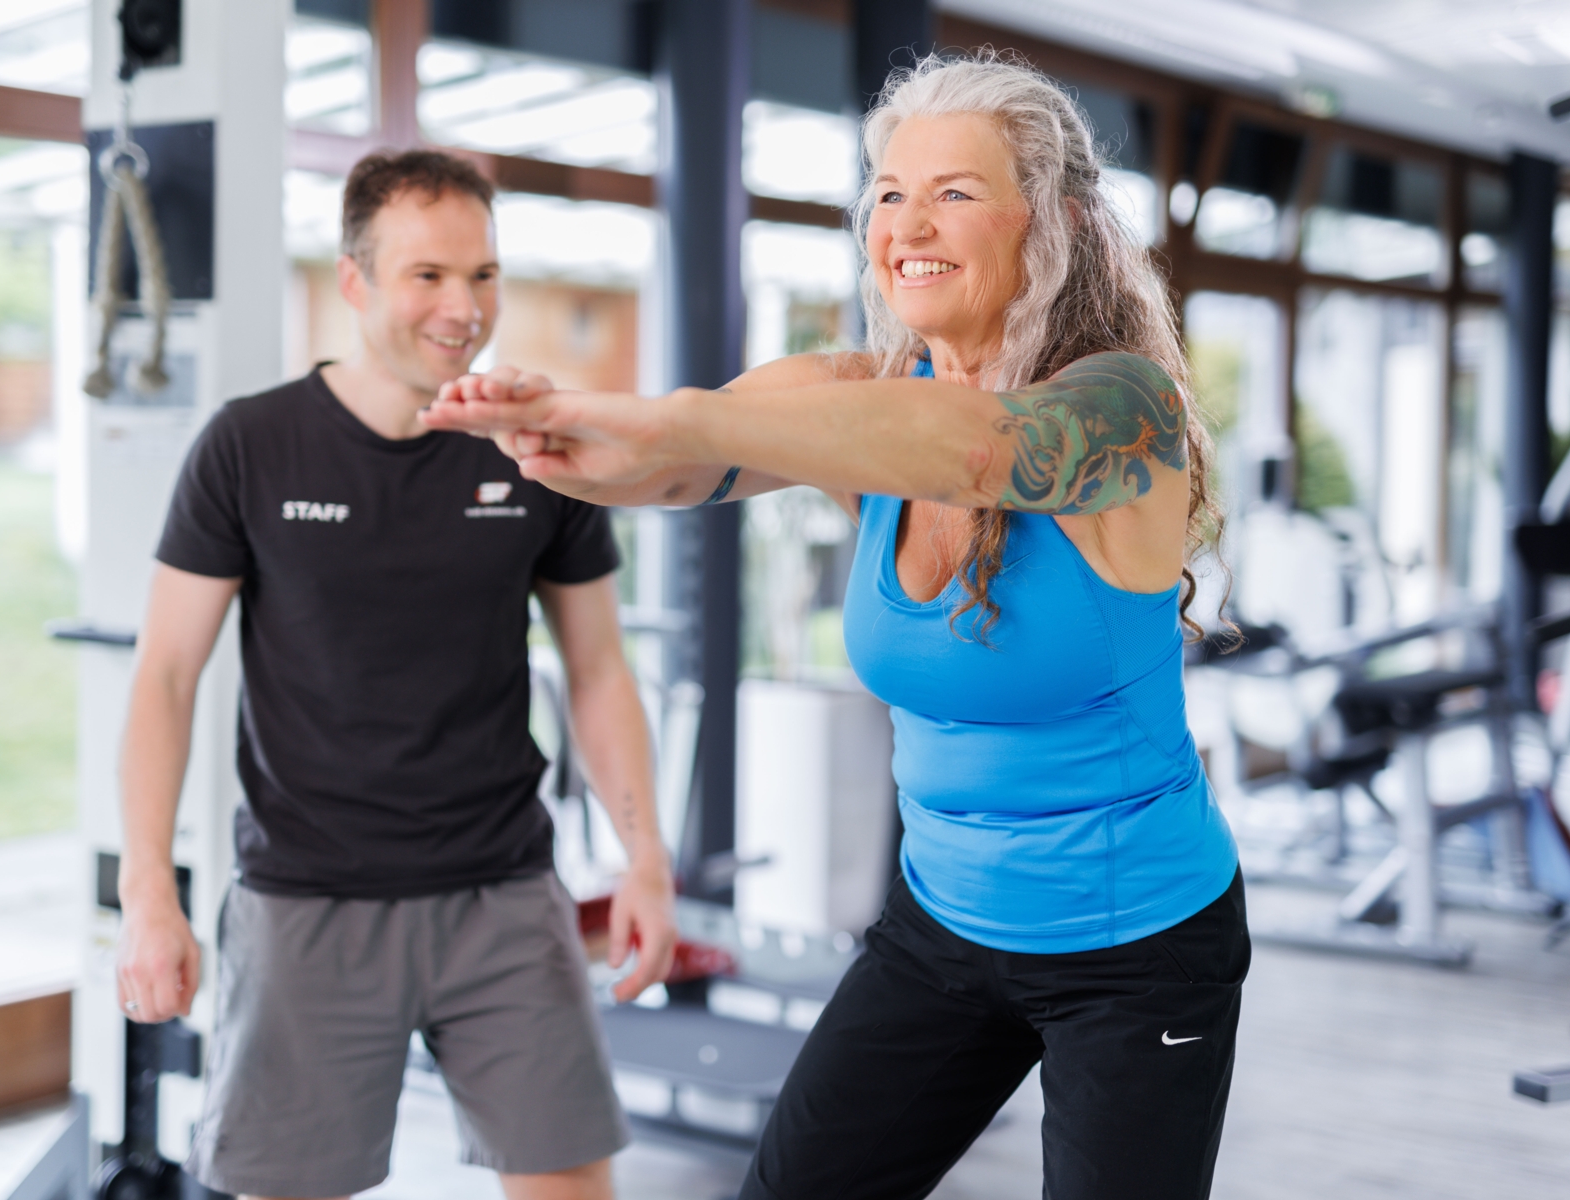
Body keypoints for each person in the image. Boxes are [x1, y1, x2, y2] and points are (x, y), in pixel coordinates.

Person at [422, 53, 1248, 1200]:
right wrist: (551, 430)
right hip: (943, 923)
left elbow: (975, 447)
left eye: (954, 192)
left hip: (1136, 950)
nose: (907, 222)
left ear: (1052, 221)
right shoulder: (868, 395)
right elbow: (678, 464)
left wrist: (658, 422)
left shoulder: (1123, 412)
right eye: (888, 192)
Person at [112, 150, 676, 1200]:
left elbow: (597, 670)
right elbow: (166, 677)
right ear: (356, 280)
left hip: (503, 895)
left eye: (483, 275)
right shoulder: (250, 445)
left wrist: (645, 856)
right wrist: (148, 890)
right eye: (428, 276)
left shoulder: (535, 447)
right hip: (306, 900)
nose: (463, 307)